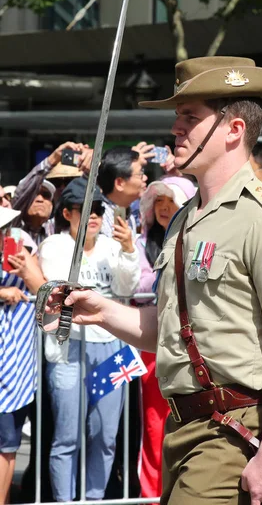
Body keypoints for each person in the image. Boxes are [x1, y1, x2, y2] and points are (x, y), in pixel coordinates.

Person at [46, 56, 262, 505]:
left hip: (236, 429)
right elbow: (172, 330)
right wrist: (101, 311)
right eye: (177, 117)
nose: (176, 128)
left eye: (190, 118)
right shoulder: (186, 218)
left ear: (233, 130)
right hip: (185, 428)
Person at [39, 177, 141, 502]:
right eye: (85, 210)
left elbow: (128, 288)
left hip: (113, 347)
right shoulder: (54, 245)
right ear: (68, 214)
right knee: (67, 437)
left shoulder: (114, 246)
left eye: (98, 209)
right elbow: (64, 287)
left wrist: (128, 249)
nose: (94, 216)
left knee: (105, 435)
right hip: (68, 347)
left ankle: (95, 499)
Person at [135, 175, 197, 501]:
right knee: (153, 425)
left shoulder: (196, 238)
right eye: (157, 201)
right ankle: (151, 494)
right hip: (151, 348)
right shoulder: (142, 243)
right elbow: (141, 285)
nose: (163, 208)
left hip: (193, 348)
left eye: (169, 201)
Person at [0, 206, 45, 505]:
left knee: (6, 444)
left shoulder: (21, 248)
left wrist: (27, 272)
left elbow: (46, 291)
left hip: (13, 365)